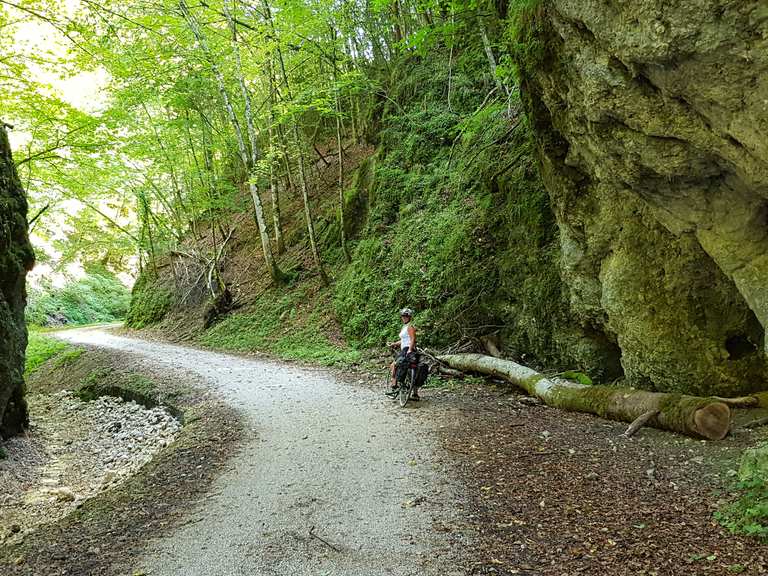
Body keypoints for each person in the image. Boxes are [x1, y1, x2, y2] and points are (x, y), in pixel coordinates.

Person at [387, 307, 420, 401]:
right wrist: (394, 344)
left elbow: (413, 339)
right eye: (403, 316)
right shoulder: (405, 327)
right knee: (406, 366)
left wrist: (409, 349)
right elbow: (404, 340)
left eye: (406, 316)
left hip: (407, 349)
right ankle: (413, 392)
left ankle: (394, 383)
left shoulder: (410, 326)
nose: (404, 317)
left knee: (394, 364)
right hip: (405, 348)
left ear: (409, 317)